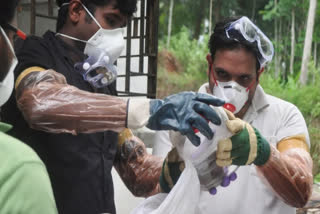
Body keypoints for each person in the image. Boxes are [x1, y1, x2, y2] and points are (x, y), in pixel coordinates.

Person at [1, 0, 225, 213]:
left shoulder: (101, 82)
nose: (117, 36)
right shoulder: (35, 51)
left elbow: (138, 172)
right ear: (76, 11)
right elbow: (40, 102)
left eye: (122, 27)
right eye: (111, 20)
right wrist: (148, 109)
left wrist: (193, 166)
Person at [153, 16, 313, 214]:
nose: (232, 88)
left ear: (259, 74)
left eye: (244, 78)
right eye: (222, 75)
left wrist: (264, 154)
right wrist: (174, 170)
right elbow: (156, 192)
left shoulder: (285, 116)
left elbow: (302, 191)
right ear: (209, 65)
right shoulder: (180, 119)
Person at [0, 1, 58, 213]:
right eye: (14, 37)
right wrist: (133, 110)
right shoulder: (19, 170)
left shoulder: (104, 75)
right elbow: (39, 103)